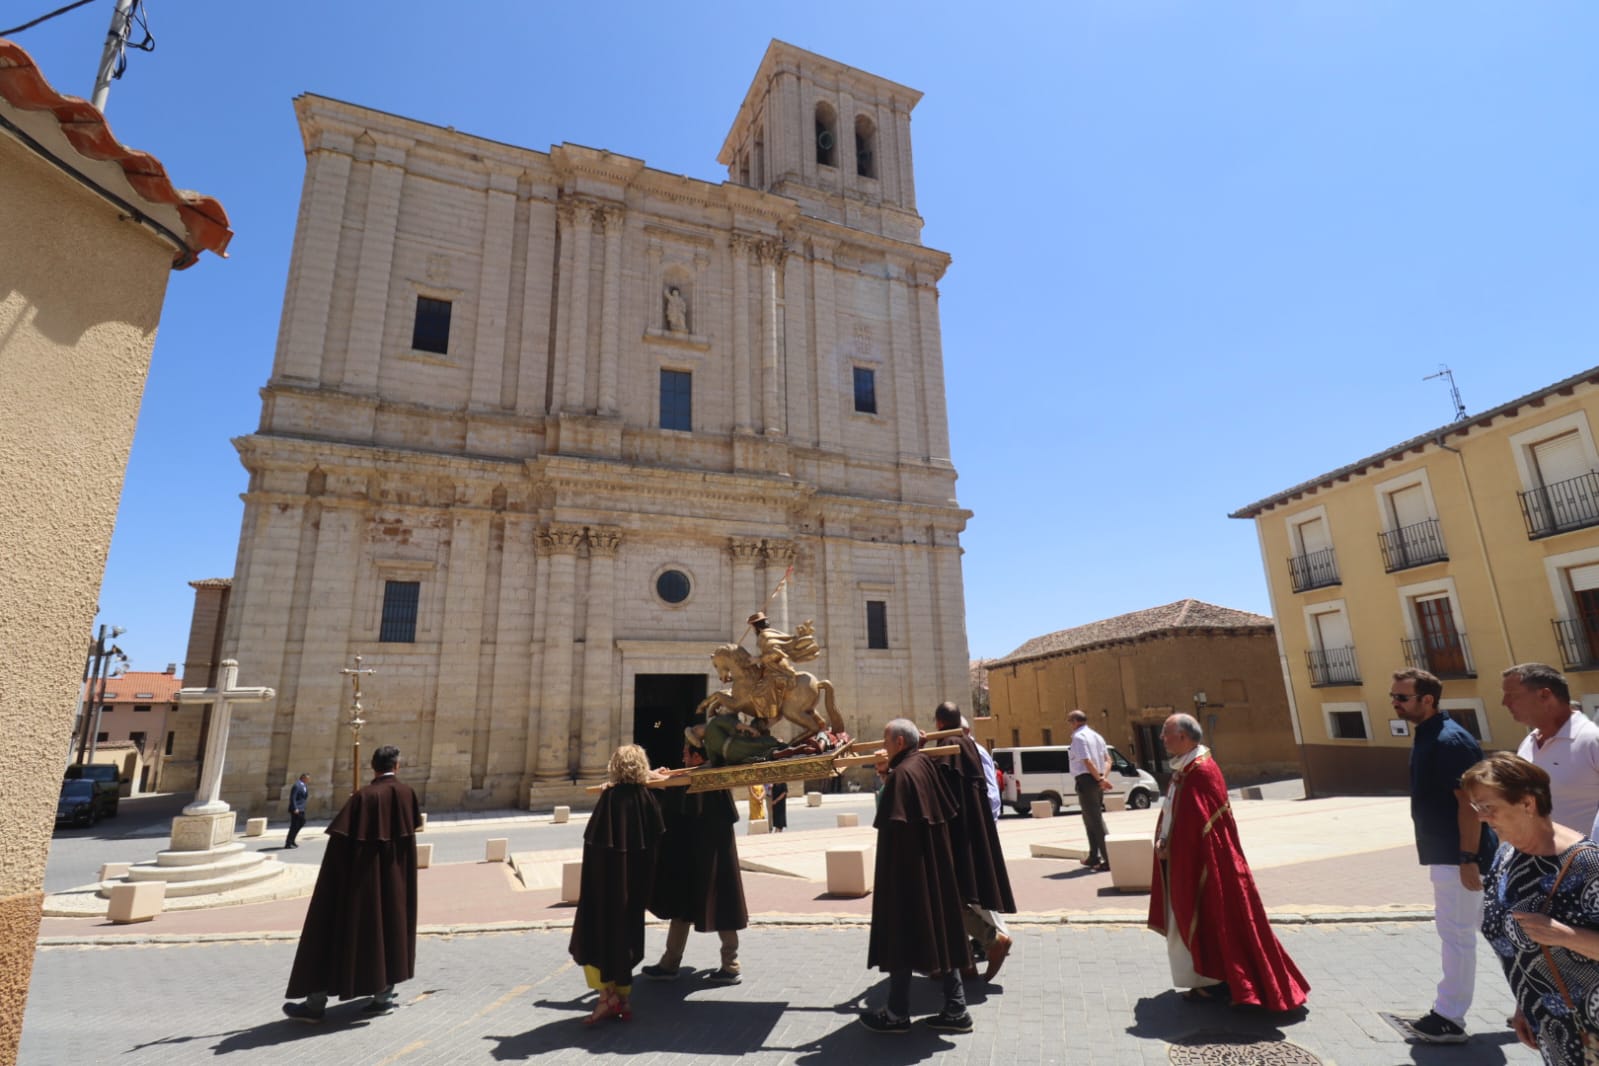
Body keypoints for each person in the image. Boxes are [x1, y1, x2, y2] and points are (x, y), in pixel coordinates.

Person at [1148, 713, 1309, 1012]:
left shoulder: (1201, 770)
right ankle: (1204, 980)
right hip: (1187, 861)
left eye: (1166, 733)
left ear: (1183, 738)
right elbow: (1176, 813)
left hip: (1208, 867)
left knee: (1217, 919)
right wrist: (1165, 840)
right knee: (1196, 921)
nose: (1161, 739)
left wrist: (1174, 847)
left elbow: (1199, 823)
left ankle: (1219, 981)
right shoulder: (1185, 767)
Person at [1464, 752, 1599, 1062]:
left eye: (1489, 807)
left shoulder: (1585, 863)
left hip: (1590, 1025)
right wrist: (1525, 1002)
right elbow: (1523, 950)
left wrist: (1566, 936)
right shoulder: (1507, 855)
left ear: (1527, 803)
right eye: (1476, 807)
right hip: (1552, 1021)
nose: (1481, 817)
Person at [1393, 667, 1497, 1043]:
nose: (1395, 703)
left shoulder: (1449, 741)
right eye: (1394, 696)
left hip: (1459, 858)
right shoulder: (1429, 735)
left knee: (1457, 936)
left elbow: (1470, 805)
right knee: (1493, 933)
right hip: (1449, 854)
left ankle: (1449, 1018)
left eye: (1402, 697)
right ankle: (1538, 1006)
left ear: (1427, 700)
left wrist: (1468, 858)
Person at [282, 745, 419, 1022]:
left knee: (332, 932)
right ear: (398, 766)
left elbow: (340, 849)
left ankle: (315, 1003)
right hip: (394, 884)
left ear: (373, 766)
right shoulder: (407, 794)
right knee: (389, 931)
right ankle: (383, 998)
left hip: (360, 885)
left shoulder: (363, 798)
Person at [860, 718, 973, 1034]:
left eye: (885, 740)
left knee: (902, 936)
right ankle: (956, 1009)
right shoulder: (922, 764)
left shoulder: (903, 776)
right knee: (940, 929)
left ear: (898, 742)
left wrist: (885, 776)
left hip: (908, 875)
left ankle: (896, 1014)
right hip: (934, 870)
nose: (882, 747)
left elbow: (892, 823)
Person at [569, 745, 666, 1025]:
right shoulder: (648, 799)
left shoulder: (610, 799)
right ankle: (622, 999)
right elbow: (657, 841)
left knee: (598, 936)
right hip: (634, 888)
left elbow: (595, 846)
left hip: (606, 887)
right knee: (626, 937)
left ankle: (605, 998)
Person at [642, 742, 748, 984]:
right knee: (696, 906)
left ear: (697, 756)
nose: (682, 755)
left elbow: (671, 810)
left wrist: (655, 778)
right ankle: (673, 963)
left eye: (686, 752)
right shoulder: (708, 778)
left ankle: (727, 965)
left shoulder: (700, 780)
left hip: (702, 859)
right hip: (705, 858)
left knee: (707, 907)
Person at [932, 701, 1015, 982]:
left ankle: (992, 940)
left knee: (950, 898)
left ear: (939, 724)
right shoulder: (971, 748)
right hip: (975, 832)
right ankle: (963, 963)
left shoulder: (946, 753)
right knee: (966, 896)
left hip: (956, 838)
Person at [1503, 663, 1599, 836]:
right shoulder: (1528, 742)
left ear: (1545, 695)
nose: (1505, 703)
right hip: (1541, 859)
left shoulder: (1592, 740)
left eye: (1512, 696)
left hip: (1586, 859)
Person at [1067, 710, 1113, 872]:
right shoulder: (1097, 736)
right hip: (1096, 778)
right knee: (1089, 819)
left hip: (1087, 780)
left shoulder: (1079, 737)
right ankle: (1094, 855)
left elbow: (1086, 760)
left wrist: (1100, 779)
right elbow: (1108, 760)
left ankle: (1109, 859)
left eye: (1069, 721)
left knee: (1095, 819)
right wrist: (1102, 778)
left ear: (1074, 721)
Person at [285, 772, 310, 848]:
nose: (308, 780)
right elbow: (293, 798)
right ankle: (288, 843)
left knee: (301, 823)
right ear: (303, 778)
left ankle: (292, 840)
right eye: (307, 778)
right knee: (294, 826)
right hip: (296, 809)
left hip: (301, 809)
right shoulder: (297, 785)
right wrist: (295, 808)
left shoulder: (304, 785)